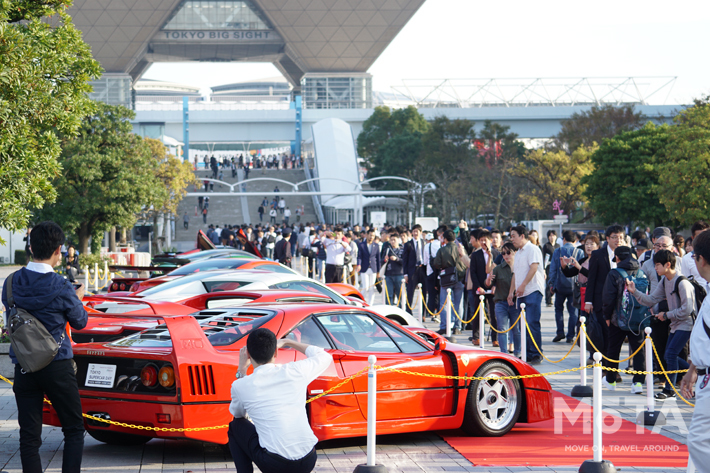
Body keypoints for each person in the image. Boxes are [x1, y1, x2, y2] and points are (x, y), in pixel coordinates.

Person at [2, 221, 88, 473]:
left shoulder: (10, 283)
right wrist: (78, 299)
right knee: (73, 429)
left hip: (24, 366)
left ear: (30, 248)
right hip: (57, 366)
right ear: (58, 250)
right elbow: (80, 322)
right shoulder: (61, 286)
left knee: (29, 437)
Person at [228, 328, 331, 473]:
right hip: (308, 459)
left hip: (275, 465)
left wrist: (241, 371)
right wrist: (289, 342)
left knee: (235, 426)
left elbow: (238, 415)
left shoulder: (241, 385)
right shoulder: (296, 371)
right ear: (275, 352)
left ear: (248, 355)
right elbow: (324, 356)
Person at [630, 249, 695, 400]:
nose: (655, 269)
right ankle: (697, 371)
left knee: (671, 354)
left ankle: (670, 390)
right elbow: (651, 299)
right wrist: (634, 292)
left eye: (657, 265)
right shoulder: (665, 280)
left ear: (668, 264)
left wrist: (666, 315)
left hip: (686, 324)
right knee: (668, 355)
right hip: (675, 324)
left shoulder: (682, 282)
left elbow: (687, 309)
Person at [680, 228, 710, 469]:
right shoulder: (707, 288)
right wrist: (693, 368)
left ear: (700, 259)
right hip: (703, 373)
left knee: (699, 440)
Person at [600, 245, 648, 394]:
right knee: (639, 351)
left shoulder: (614, 273)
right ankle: (638, 383)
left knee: (613, 349)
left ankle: (611, 380)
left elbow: (608, 297)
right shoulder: (641, 273)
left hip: (617, 319)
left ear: (618, 258)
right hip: (638, 320)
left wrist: (607, 316)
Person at [585, 225, 626, 368]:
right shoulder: (598, 255)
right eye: (615, 237)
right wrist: (588, 301)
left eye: (620, 237)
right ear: (607, 238)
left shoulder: (627, 254)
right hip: (601, 302)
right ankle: (605, 366)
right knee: (603, 334)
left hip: (620, 302)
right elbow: (592, 280)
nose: (618, 240)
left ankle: (612, 369)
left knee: (615, 337)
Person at [508, 225, 545, 364]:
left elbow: (534, 268)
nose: (512, 239)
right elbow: (515, 274)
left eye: (513, 236)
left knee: (532, 322)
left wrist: (523, 285)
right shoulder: (518, 253)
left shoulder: (532, 249)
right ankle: (527, 352)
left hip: (532, 291)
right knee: (523, 325)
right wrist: (511, 291)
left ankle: (536, 353)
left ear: (522, 236)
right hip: (521, 293)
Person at [548, 230, 584, 343]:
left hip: (560, 286)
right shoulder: (579, 252)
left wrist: (551, 284)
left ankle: (560, 332)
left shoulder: (558, 251)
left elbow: (553, 269)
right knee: (573, 312)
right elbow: (581, 270)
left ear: (564, 239)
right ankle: (570, 335)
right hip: (574, 287)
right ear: (575, 240)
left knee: (558, 309)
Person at [486, 242, 520, 357]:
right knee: (502, 328)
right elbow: (488, 284)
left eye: (508, 253)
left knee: (516, 330)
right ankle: (504, 354)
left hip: (516, 303)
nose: (506, 256)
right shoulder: (498, 269)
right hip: (501, 302)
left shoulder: (520, 267)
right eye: (503, 253)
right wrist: (489, 279)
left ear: (515, 253)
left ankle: (517, 353)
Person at [432, 230, 467, 335]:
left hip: (446, 278)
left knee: (444, 303)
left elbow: (436, 264)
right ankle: (457, 327)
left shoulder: (442, 250)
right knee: (458, 303)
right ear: (454, 237)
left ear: (445, 239)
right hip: (459, 278)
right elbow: (465, 262)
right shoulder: (460, 248)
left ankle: (444, 326)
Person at [402, 224, 426, 315]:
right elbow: (405, 260)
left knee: (424, 291)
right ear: (412, 232)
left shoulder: (424, 243)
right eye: (414, 231)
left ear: (420, 232)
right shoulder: (408, 244)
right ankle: (409, 311)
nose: (415, 233)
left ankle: (423, 313)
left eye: (417, 231)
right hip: (412, 271)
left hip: (422, 269)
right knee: (410, 291)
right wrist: (406, 274)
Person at [422, 227, 444, 322]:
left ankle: (432, 314)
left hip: (430, 272)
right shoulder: (441, 245)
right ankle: (439, 314)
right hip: (440, 273)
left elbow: (425, 261)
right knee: (441, 294)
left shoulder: (428, 246)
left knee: (431, 295)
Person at [357, 229, 381, 305]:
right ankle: (362, 302)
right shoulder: (361, 245)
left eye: (373, 235)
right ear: (367, 235)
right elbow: (359, 256)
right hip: (364, 268)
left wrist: (378, 271)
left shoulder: (376, 245)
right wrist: (359, 264)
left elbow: (378, 259)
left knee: (371, 288)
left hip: (373, 269)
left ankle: (370, 304)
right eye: (370, 235)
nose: (371, 237)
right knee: (365, 287)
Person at [382, 233, 405, 306]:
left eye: (394, 240)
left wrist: (396, 259)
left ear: (398, 240)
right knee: (389, 295)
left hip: (399, 274)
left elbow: (405, 262)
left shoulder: (402, 249)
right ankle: (389, 311)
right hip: (388, 274)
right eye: (391, 240)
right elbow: (381, 260)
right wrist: (384, 260)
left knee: (400, 295)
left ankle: (402, 310)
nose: (392, 242)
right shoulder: (387, 249)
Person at [542, 230, 559, 307]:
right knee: (549, 283)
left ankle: (553, 297)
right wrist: (544, 269)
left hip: (557, 267)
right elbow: (543, 257)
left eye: (553, 235)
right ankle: (548, 300)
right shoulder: (546, 246)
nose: (552, 237)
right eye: (550, 236)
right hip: (548, 266)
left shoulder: (558, 246)